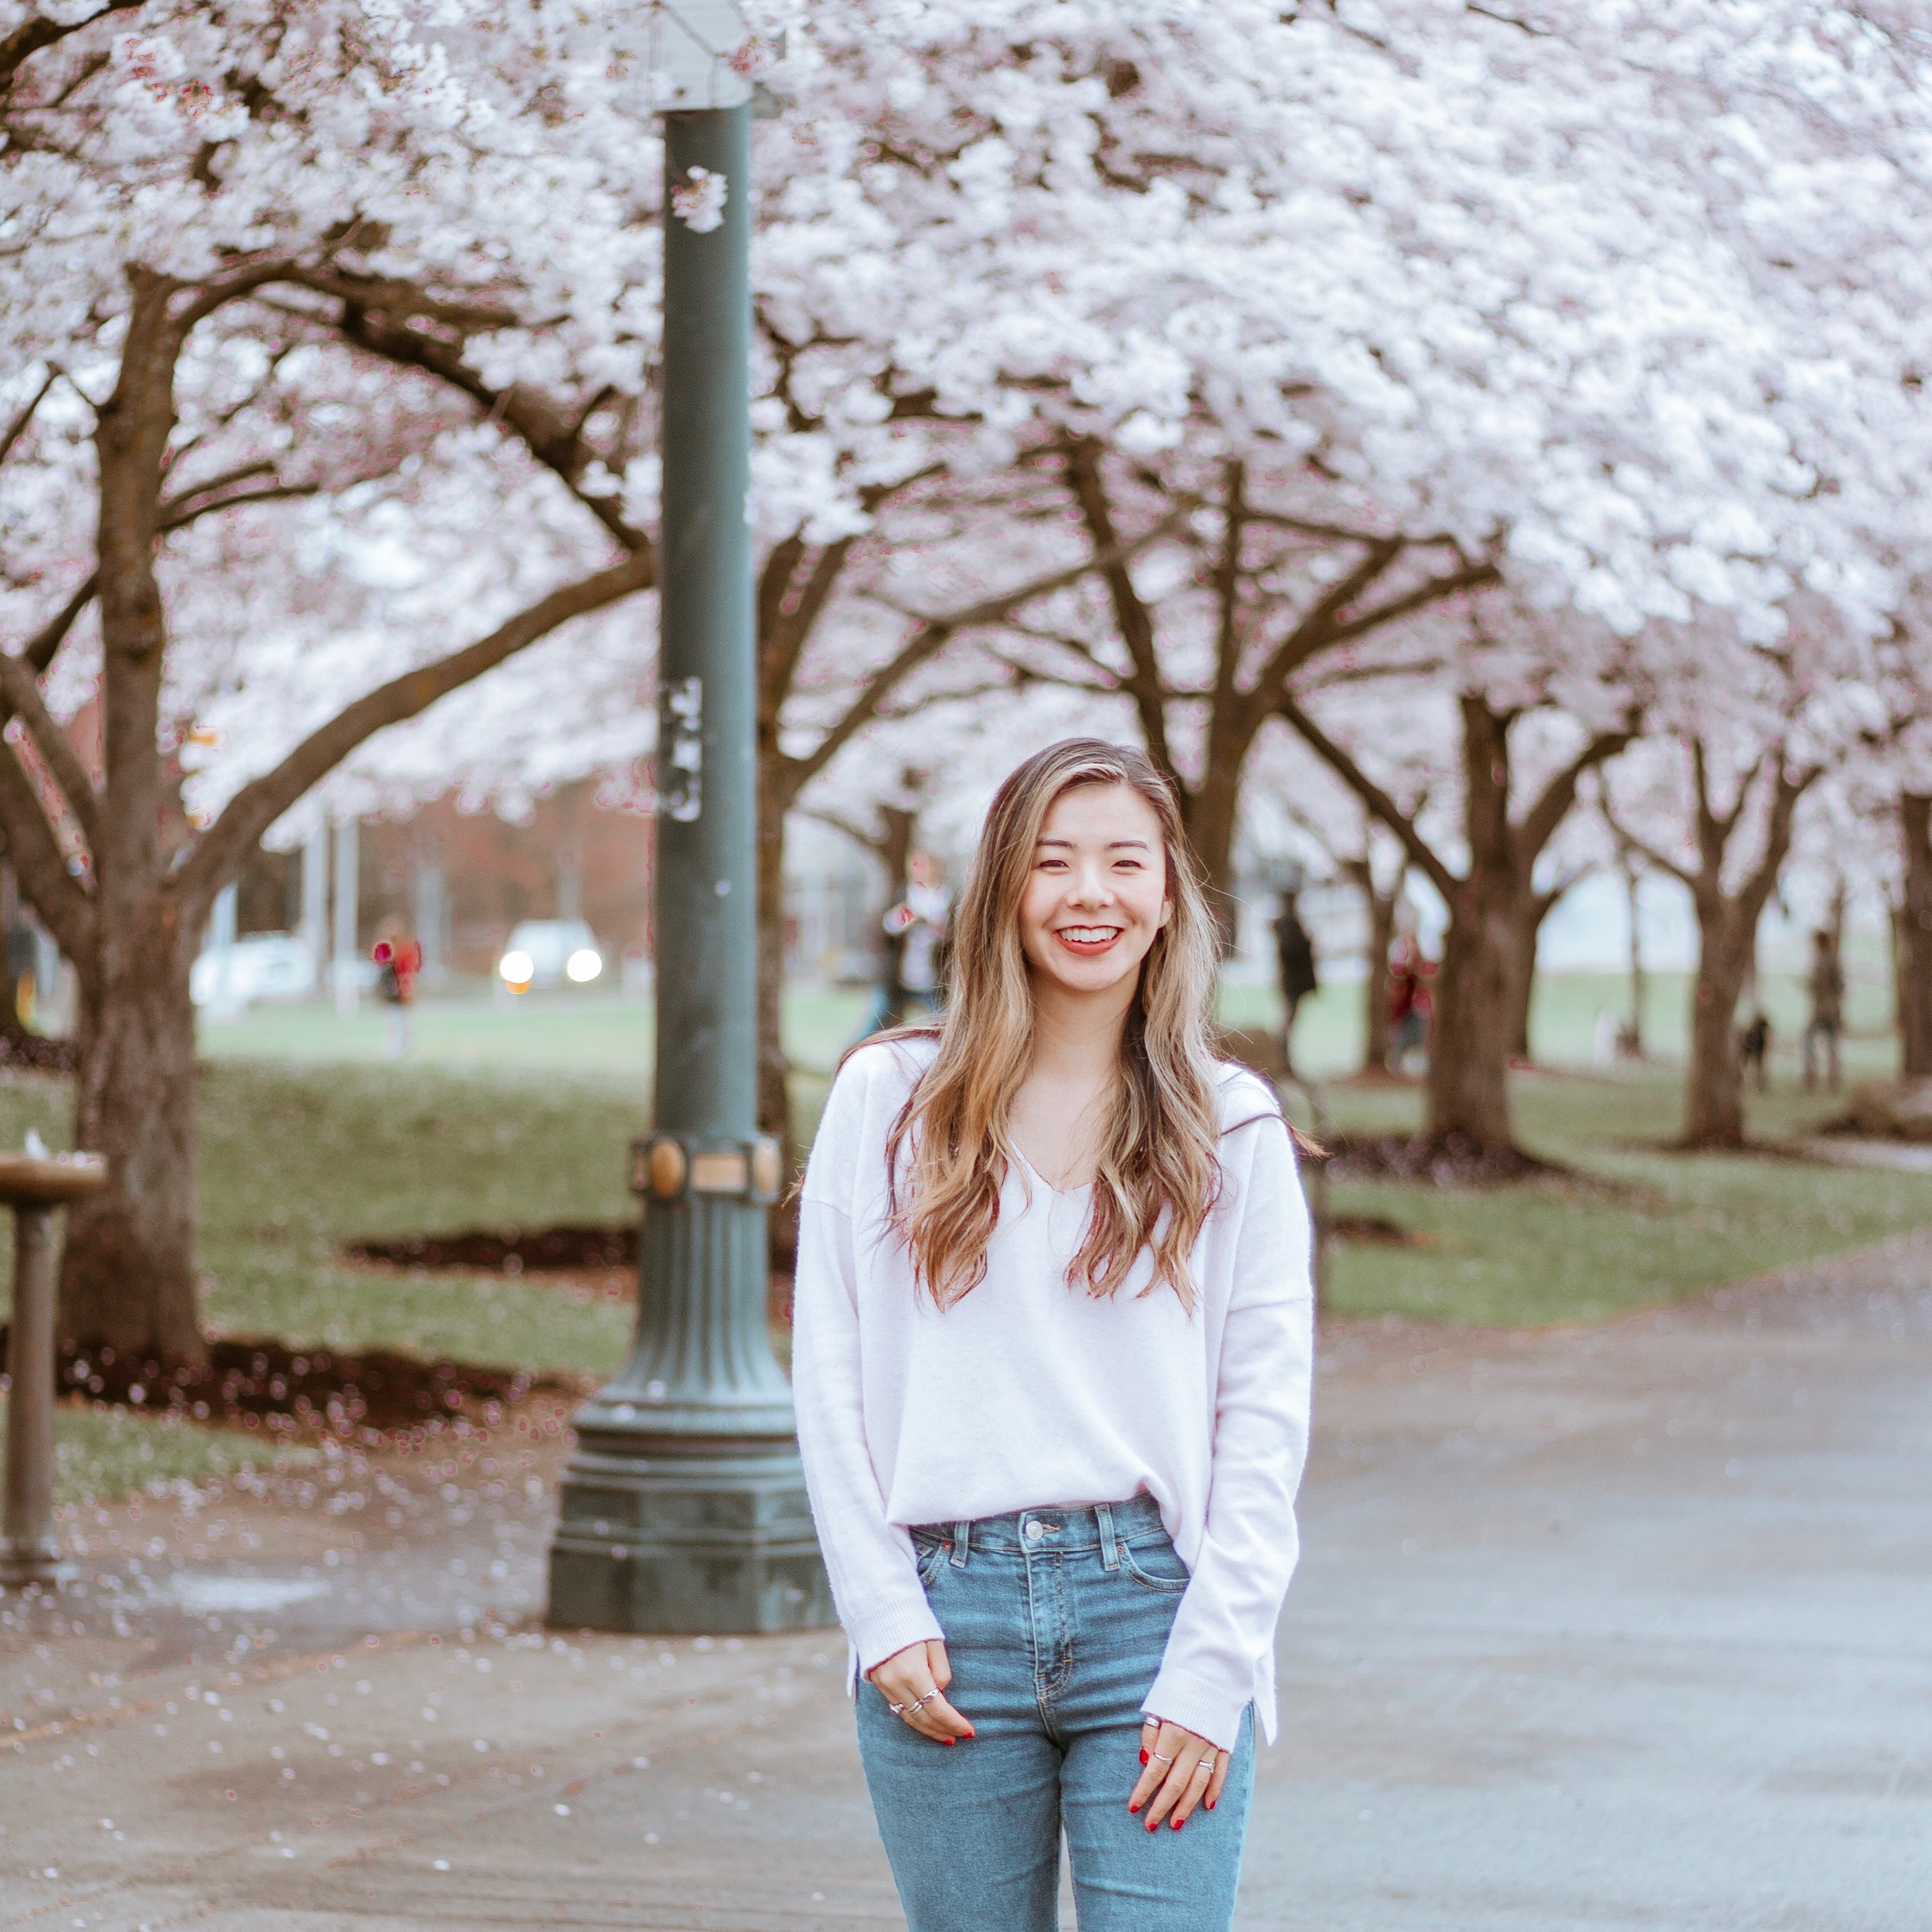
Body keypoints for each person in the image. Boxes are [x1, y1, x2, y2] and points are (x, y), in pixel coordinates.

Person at [792, 739, 1315, 1932]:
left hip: (1153, 1613)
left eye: (1126, 862)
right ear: (1000, 893)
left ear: (1169, 892)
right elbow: (825, 1379)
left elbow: (1266, 1421)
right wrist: (882, 1615)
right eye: (1052, 862)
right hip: (943, 1620)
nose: (1092, 895)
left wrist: (1212, 1668)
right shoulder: (890, 1102)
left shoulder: (1232, 1128)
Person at [1270, 887, 1318, 1073]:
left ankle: (1284, 1058)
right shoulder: (1288, 926)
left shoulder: (1290, 924)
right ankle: (1281, 1058)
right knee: (1288, 1021)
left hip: (1293, 982)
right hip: (1292, 981)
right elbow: (1292, 952)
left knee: (1290, 1021)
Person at [371, 923, 422, 1059]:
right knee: (396, 1021)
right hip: (391, 993)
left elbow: (406, 970)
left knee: (400, 1021)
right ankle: (397, 1048)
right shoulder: (386, 950)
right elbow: (381, 972)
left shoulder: (402, 949)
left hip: (397, 992)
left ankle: (399, 1048)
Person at [1802, 930, 1844, 1094]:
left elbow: (1818, 985)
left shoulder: (1821, 960)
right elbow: (1840, 985)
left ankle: (1811, 1076)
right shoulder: (1833, 959)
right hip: (1831, 1008)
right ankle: (1833, 1077)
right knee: (1832, 1043)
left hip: (1821, 1009)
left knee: (1808, 1039)